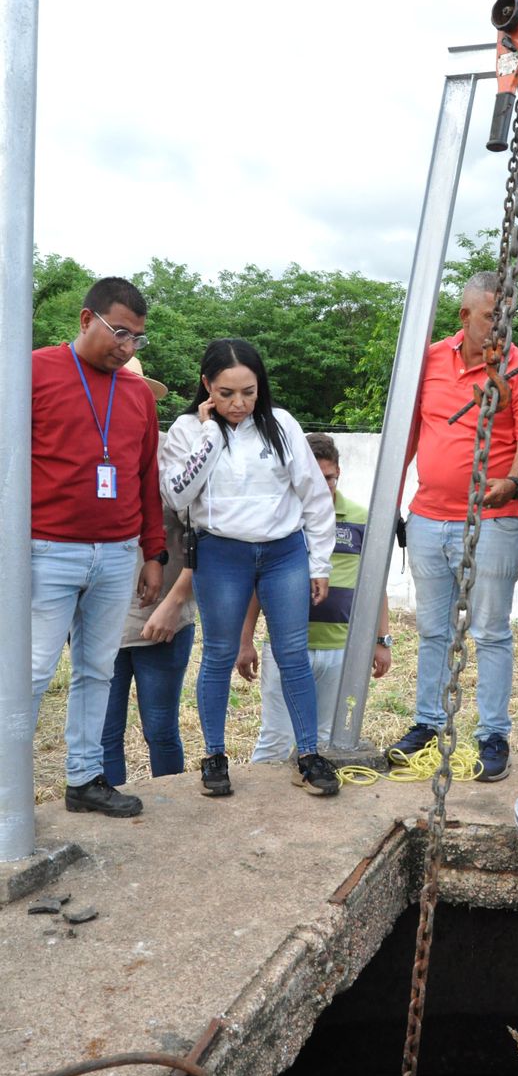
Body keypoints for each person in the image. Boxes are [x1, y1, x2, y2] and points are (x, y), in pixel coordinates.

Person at [387, 271, 518, 782]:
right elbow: (407, 437)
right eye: (490, 317)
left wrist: (515, 480)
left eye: (507, 317)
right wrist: (393, 505)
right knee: (433, 629)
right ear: (465, 316)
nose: (500, 328)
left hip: (492, 522)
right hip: (428, 520)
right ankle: (429, 724)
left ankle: (492, 735)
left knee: (491, 632)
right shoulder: (431, 359)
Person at [160, 339, 339, 798]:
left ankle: (308, 755)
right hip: (221, 554)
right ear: (206, 386)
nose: (238, 403)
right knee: (219, 654)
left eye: (249, 391)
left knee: (292, 653)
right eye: (226, 393)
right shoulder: (186, 430)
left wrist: (319, 562)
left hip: (283, 554)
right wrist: (211, 436)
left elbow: (314, 498)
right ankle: (215, 756)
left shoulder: (280, 425)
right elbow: (177, 495)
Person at [31, 277, 165, 818]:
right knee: (32, 670)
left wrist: (152, 554)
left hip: (116, 553)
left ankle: (85, 778)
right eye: (119, 333)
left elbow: (144, 477)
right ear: (87, 320)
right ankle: (6, 791)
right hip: (46, 549)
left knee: (98, 669)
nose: (128, 347)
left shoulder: (137, 395)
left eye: (137, 338)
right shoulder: (34, 370)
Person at [237, 432, 392, 759]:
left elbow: (376, 585)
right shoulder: (280, 520)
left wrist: (382, 640)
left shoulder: (363, 519)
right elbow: (255, 583)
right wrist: (245, 640)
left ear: (339, 473)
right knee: (276, 739)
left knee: (324, 742)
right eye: (315, 479)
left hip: (340, 650)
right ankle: (262, 810)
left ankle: (311, 808)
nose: (324, 487)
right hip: (286, 647)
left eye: (330, 478)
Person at [100, 358, 196, 788]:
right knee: (102, 735)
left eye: (129, 388)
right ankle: (108, 814)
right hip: (100, 618)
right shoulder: (88, 449)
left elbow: (202, 536)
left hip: (160, 619)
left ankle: (169, 816)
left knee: (160, 729)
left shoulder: (172, 455)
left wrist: (176, 602)